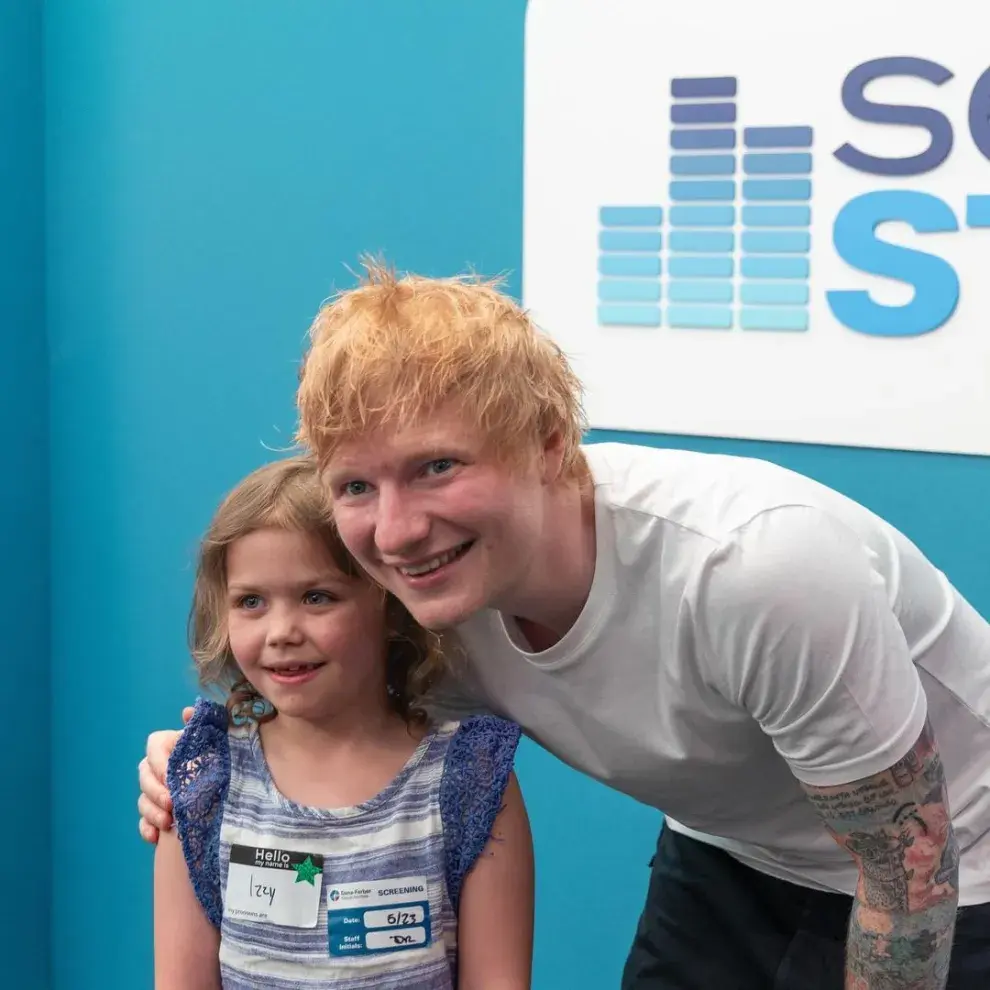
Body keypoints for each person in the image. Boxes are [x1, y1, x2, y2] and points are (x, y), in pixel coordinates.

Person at [140, 263, 990, 989]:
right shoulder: (417, 593)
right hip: (732, 847)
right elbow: (318, 707)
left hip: (954, 862)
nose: (396, 532)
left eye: (438, 467)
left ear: (550, 445)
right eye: (357, 485)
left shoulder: (753, 567)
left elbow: (907, 869)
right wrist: (192, 758)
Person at [152, 454, 534, 990]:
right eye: (251, 601)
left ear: (390, 606)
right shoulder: (203, 787)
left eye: (316, 597)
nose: (281, 630)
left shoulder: (470, 781)